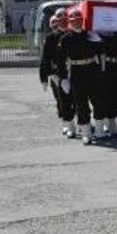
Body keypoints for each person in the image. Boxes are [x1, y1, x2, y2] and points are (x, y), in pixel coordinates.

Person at [57, 8, 105, 146]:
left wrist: (99, 40)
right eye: (73, 21)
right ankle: (86, 134)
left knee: (98, 102)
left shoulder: (90, 35)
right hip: (77, 72)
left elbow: (102, 51)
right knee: (81, 104)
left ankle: (100, 131)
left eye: (79, 20)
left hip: (92, 70)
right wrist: (63, 78)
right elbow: (61, 60)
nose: (77, 23)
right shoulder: (65, 39)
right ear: (70, 23)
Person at [39, 9, 76, 138]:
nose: (62, 22)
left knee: (78, 99)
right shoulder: (51, 38)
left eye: (65, 19)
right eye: (60, 20)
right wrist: (45, 76)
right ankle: (68, 124)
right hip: (57, 73)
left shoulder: (74, 34)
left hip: (75, 71)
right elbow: (45, 59)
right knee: (62, 101)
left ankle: (83, 121)